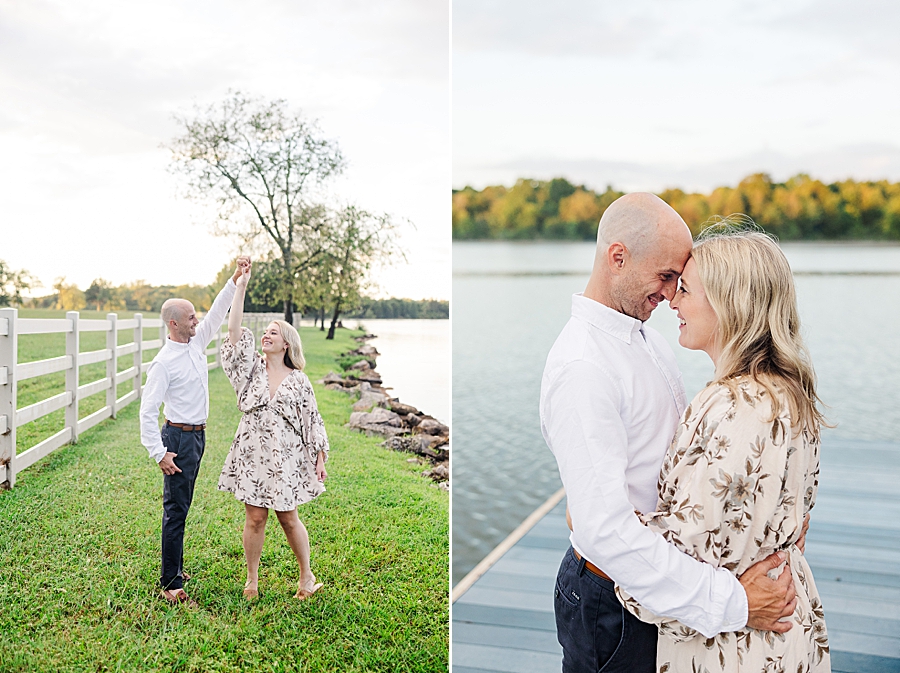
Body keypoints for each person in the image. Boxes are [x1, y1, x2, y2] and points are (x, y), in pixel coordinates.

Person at [541, 194, 798, 673]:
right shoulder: (583, 368)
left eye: (679, 281)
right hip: (613, 603)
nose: (671, 294)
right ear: (618, 258)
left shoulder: (649, 339)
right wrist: (735, 602)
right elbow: (604, 532)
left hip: (666, 586)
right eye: (664, 277)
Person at [616, 227, 830, 670]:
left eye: (686, 289)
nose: (672, 300)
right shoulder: (789, 393)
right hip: (789, 628)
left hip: (734, 646)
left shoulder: (731, 407)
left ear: (729, 303)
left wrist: (606, 520)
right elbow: (792, 515)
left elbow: (684, 559)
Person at [140, 256, 250, 606]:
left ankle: (176, 566)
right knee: (175, 510)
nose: (197, 320)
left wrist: (235, 280)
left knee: (182, 507)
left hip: (198, 437)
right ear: (174, 324)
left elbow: (218, 311)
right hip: (177, 439)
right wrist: (159, 453)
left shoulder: (197, 342)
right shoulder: (163, 363)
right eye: (190, 317)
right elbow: (146, 412)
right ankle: (170, 583)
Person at [217, 261, 328, 601]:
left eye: (273, 332)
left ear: (286, 344)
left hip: (287, 455)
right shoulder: (250, 370)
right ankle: (251, 580)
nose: (265, 335)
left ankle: (306, 578)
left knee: (288, 517)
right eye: (264, 332)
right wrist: (241, 287)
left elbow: (313, 419)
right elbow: (234, 334)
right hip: (252, 451)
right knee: (254, 518)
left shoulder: (299, 380)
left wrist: (320, 458)